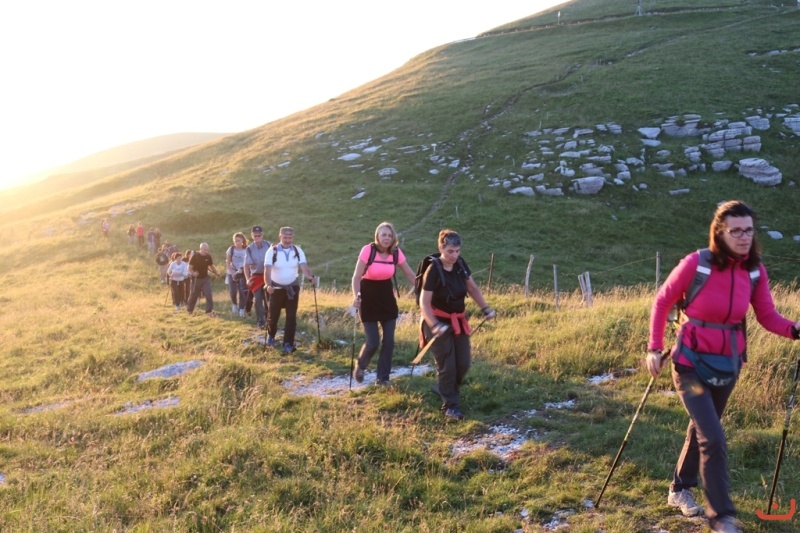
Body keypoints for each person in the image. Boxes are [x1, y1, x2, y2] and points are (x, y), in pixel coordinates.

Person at [647, 200, 800, 533]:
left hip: (727, 366)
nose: (744, 237)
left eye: (749, 230)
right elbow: (662, 301)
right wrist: (654, 348)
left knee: (703, 428)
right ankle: (721, 517)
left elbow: (767, 316)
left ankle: (679, 488)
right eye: (736, 231)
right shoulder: (696, 264)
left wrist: (794, 329)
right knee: (713, 437)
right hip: (688, 365)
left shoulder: (755, 271)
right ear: (720, 233)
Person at [419, 229, 495, 420]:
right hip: (436, 321)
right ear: (441, 248)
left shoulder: (460, 264)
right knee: (447, 365)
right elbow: (424, 303)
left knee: (463, 363)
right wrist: (434, 325)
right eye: (450, 251)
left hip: (458, 321)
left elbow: (472, 288)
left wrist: (485, 308)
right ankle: (451, 406)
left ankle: (444, 388)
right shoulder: (433, 270)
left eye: (457, 251)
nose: (454, 255)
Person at [351, 222, 416, 386]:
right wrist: (356, 296)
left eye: (390, 235)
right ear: (377, 236)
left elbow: (409, 274)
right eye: (384, 235)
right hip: (367, 297)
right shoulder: (368, 250)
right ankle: (361, 365)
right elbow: (356, 277)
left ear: (393, 238)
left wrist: (425, 289)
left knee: (389, 342)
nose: (387, 238)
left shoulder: (396, 252)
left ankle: (382, 378)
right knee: (373, 342)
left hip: (387, 297)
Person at [264, 227, 315, 353]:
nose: (287, 240)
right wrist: (268, 285)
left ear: (293, 237)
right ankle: (271, 336)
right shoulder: (272, 251)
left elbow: (304, 267)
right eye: (285, 237)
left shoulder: (297, 250)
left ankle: (288, 344)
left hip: (292, 289)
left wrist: (310, 277)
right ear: (279, 237)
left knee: (291, 317)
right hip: (276, 288)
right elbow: (267, 270)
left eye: (290, 238)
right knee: (273, 316)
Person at [244, 226, 271, 328]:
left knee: (268, 299)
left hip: (268, 276)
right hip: (256, 277)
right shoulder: (249, 249)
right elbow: (246, 266)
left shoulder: (269, 245)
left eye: (259, 235)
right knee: (258, 300)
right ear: (252, 236)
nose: (257, 237)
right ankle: (260, 321)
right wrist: (247, 279)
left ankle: (269, 320)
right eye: (255, 236)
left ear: (262, 235)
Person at [186, 243, 220, 316]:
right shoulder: (195, 256)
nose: (206, 251)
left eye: (207, 250)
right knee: (194, 295)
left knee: (208, 293)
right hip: (196, 279)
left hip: (205, 278)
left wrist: (216, 272)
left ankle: (209, 311)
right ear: (200, 249)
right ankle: (189, 310)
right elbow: (189, 268)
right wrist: (193, 273)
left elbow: (211, 266)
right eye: (205, 250)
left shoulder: (208, 257)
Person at [226, 232, 249, 317]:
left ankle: (242, 308)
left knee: (242, 291)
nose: (237, 242)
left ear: (242, 240)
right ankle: (234, 304)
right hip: (232, 271)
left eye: (238, 240)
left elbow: (249, 262)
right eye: (235, 241)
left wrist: (242, 270)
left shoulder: (246, 250)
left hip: (242, 272)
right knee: (233, 291)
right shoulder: (231, 249)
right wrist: (232, 273)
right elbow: (228, 262)